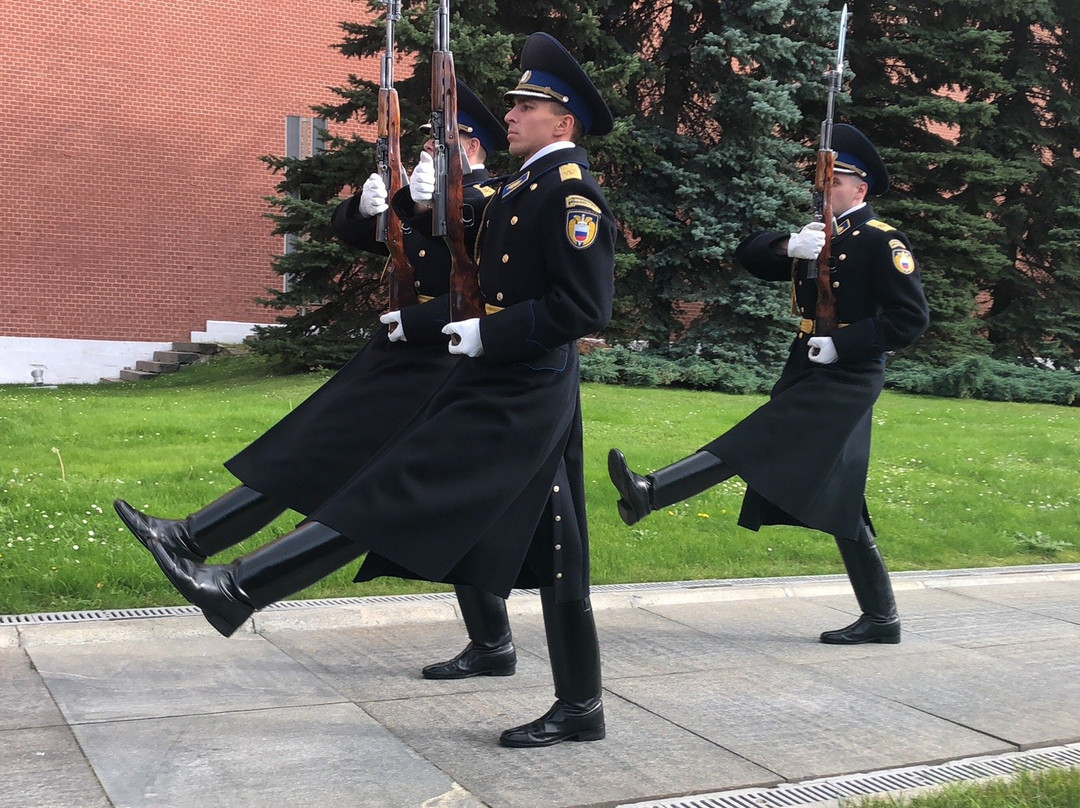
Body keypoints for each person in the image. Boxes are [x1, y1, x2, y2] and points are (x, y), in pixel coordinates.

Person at [120, 32, 616, 748]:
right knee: (561, 548)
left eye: (526, 106)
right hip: (514, 384)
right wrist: (400, 206)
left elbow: (585, 309)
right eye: (511, 105)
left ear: (562, 122)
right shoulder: (524, 185)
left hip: (520, 388)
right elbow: (463, 243)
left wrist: (488, 333)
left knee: (394, 489)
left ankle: (237, 589)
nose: (511, 114)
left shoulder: (570, 193)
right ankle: (581, 707)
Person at [115, 81, 518, 681]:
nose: (431, 150)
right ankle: (195, 539)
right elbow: (362, 233)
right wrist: (368, 203)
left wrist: (446, 205)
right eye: (430, 140)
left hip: (444, 355)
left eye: (443, 140)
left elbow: (490, 269)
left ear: (472, 145)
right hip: (405, 351)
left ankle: (203, 549)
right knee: (320, 451)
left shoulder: (494, 196)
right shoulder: (435, 192)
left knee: (372, 481)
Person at [608, 124, 930, 646]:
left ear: (860, 189)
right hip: (807, 362)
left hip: (848, 373)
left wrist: (844, 345)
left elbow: (910, 318)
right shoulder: (819, 234)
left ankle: (653, 490)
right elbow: (749, 255)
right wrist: (791, 246)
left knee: (757, 441)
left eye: (836, 181)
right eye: (822, 181)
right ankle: (883, 617)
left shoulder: (880, 240)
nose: (823, 189)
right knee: (840, 496)